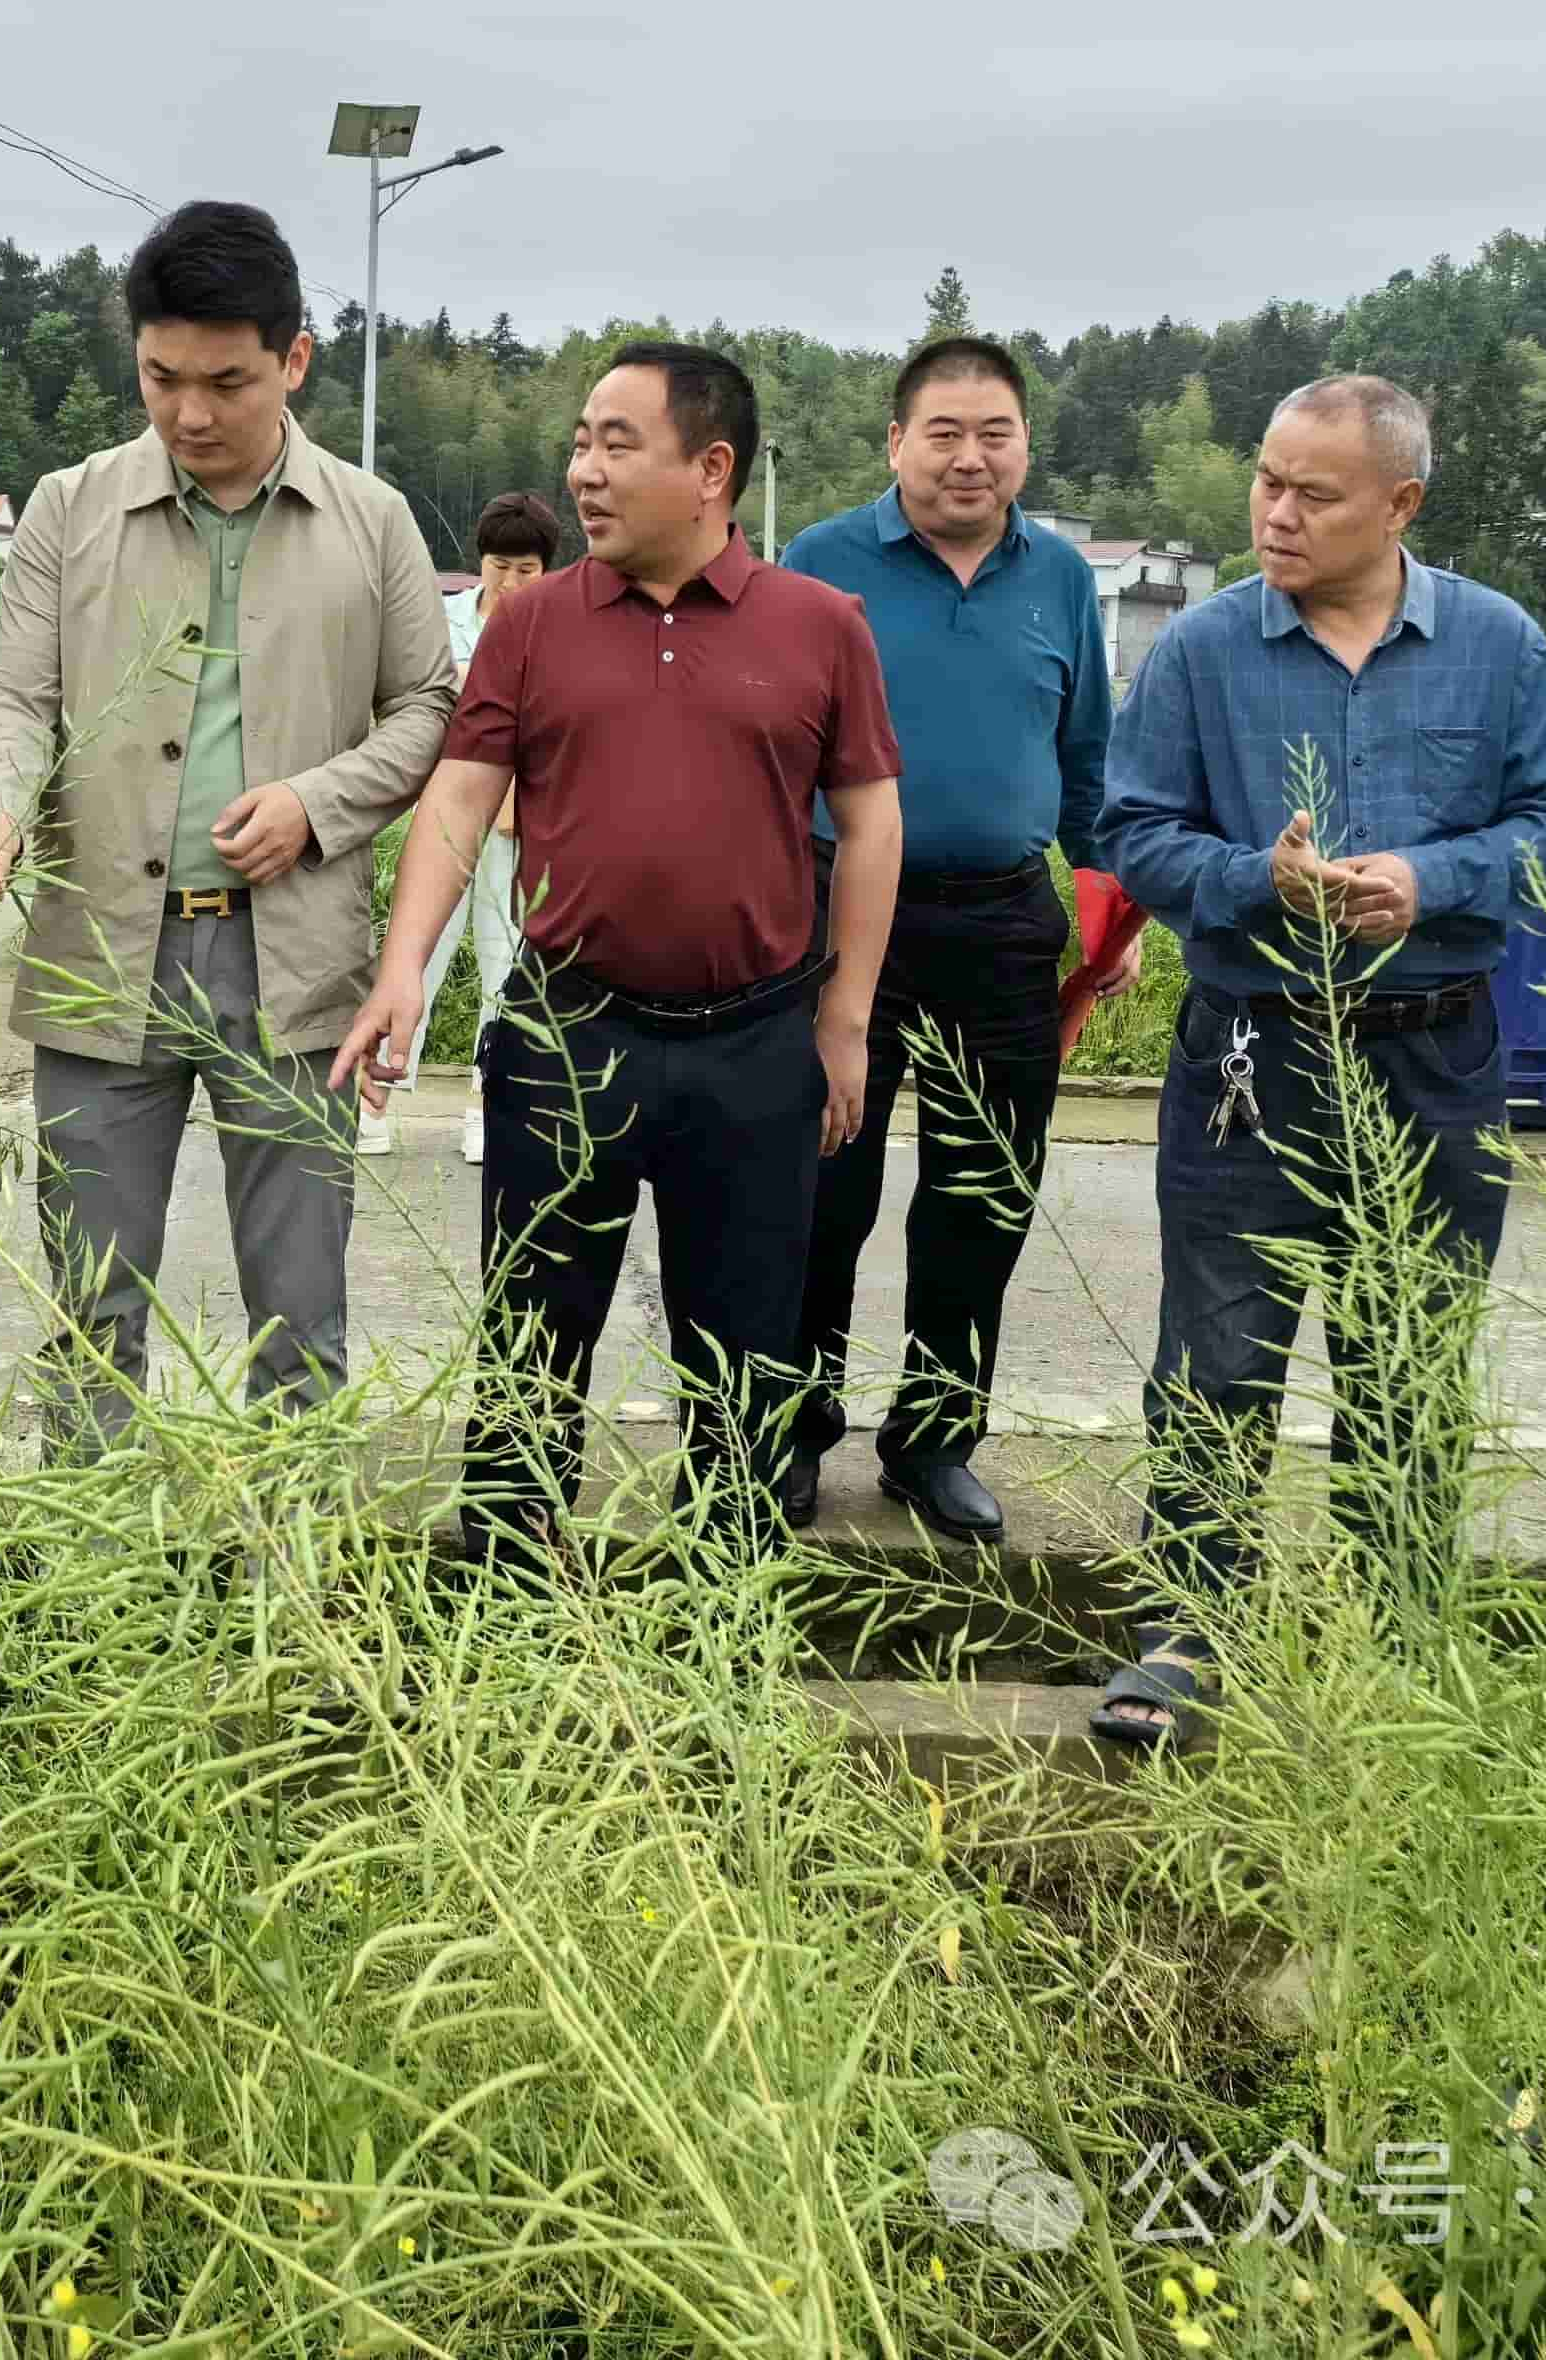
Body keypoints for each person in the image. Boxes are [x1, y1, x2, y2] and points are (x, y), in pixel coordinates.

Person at [334, 343, 901, 1575]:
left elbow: (868, 822)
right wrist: (403, 969)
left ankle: (724, 1619)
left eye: (614, 444)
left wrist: (844, 1015)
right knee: (531, 1342)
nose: (582, 472)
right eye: (579, 442)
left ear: (710, 470)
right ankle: (506, 1597)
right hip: (565, 1034)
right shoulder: (531, 625)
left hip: (754, 1045)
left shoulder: (819, 627)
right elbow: (459, 794)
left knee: (744, 1356)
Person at [1090, 374, 1546, 1750]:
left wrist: (1431, 880)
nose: (1277, 511)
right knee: (1218, 1352)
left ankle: (1400, 1638)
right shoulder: (1200, 654)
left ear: (1401, 504)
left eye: (1315, 492)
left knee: (1413, 1356)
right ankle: (1189, 1630)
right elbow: (1128, 833)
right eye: (1266, 480)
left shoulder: (1497, 646)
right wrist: (1259, 879)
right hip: (1253, 1053)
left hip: (1435, 1058)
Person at [0, 201, 453, 1459]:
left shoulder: (371, 520)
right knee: (90, 1302)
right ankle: (87, 1579)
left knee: (299, 1308)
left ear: (294, 359)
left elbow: (431, 707)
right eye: (162, 378)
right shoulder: (68, 508)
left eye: (225, 381)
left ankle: (297, 1574)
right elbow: (14, 694)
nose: (189, 413)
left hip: (292, 956)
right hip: (101, 943)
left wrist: (317, 804)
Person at [776, 336, 1130, 1544]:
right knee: (824, 1186)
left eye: (996, 435)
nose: (971, 458)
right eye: (944, 433)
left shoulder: (1063, 578)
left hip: (1002, 917)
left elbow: (1085, 764)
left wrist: (1101, 914)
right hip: (837, 915)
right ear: (894, 442)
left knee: (982, 1194)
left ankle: (933, 1438)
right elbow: (771, 757)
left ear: (1025, 446)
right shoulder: (820, 564)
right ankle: (791, 1429)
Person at [400, 486, 562, 1168]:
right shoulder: (441, 622)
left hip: (518, 823)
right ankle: (381, 1094)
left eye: (527, 568)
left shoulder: (561, 629)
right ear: (481, 562)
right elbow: (425, 705)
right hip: (446, 816)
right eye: (501, 565)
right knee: (419, 950)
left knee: (506, 961)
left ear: (546, 568)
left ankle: (487, 1102)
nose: (513, 581)